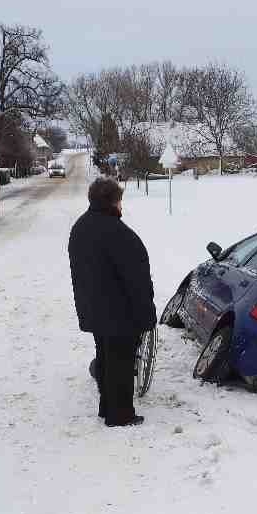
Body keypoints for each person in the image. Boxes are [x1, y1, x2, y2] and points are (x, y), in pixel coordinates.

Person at [69, 177, 157, 426]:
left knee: (106, 358)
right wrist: (146, 315)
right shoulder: (120, 234)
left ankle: (106, 405)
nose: (122, 205)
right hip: (120, 311)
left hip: (93, 308)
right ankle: (120, 415)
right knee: (120, 362)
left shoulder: (80, 227)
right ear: (113, 202)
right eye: (120, 200)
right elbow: (137, 281)